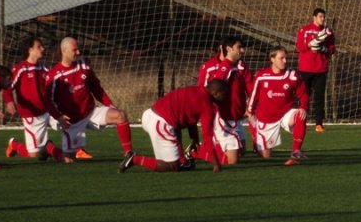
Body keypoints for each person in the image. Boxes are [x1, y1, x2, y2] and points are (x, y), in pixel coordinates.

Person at [47, 36, 133, 160]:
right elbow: (47, 101)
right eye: (74, 50)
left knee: (120, 116)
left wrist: (109, 104)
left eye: (78, 49)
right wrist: (58, 117)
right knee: (68, 160)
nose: (78, 52)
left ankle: (129, 154)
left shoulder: (84, 67)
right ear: (64, 51)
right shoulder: (54, 75)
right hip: (72, 121)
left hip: (91, 112)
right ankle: (50, 148)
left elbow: (96, 88)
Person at [120, 79, 228, 173]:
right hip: (161, 122)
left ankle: (182, 161)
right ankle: (134, 159)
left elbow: (190, 120)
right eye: (224, 94)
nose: (226, 98)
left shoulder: (195, 89)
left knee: (176, 129)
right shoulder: (207, 105)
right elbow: (207, 136)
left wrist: (194, 139)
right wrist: (216, 164)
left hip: (150, 114)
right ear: (215, 93)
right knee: (171, 166)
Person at [190, 36, 254, 165]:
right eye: (239, 48)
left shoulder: (235, 65)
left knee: (241, 151)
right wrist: (210, 112)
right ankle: (196, 152)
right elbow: (215, 89)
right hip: (223, 116)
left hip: (234, 115)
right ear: (228, 49)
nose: (242, 51)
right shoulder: (225, 67)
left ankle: (207, 147)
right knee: (232, 160)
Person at [6, 36, 68, 163]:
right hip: (31, 115)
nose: (43, 48)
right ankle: (14, 145)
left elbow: (56, 87)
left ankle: (74, 149)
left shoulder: (45, 69)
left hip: (48, 111)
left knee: (69, 124)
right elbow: (7, 88)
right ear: (30, 50)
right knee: (34, 155)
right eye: (39, 46)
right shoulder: (21, 68)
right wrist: (9, 101)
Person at [247, 46, 309, 165]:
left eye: (286, 58)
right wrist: (250, 112)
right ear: (272, 59)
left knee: (300, 114)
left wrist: (303, 107)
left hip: (285, 114)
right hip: (266, 118)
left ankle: (296, 152)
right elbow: (253, 96)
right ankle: (256, 136)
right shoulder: (261, 75)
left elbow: (303, 93)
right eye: (282, 58)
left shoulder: (292, 75)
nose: (285, 61)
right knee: (265, 157)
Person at [296, 7, 335, 132]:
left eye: (323, 17)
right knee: (304, 96)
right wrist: (310, 44)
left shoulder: (328, 32)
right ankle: (302, 122)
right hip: (305, 69)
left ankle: (319, 123)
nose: (322, 19)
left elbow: (332, 48)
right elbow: (300, 47)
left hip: (321, 69)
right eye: (320, 17)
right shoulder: (305, 30)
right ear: (314, 17)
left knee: (319, 98)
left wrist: (323, 49)